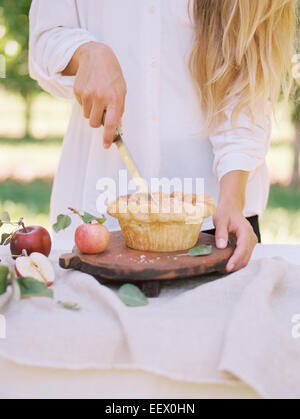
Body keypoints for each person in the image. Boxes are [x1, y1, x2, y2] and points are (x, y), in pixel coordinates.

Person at [29, 0, 296, 271]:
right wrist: (85, 53)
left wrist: (232, 200)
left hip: (218, 224)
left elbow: (247, 94)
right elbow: (44, 40)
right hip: (99, 221)